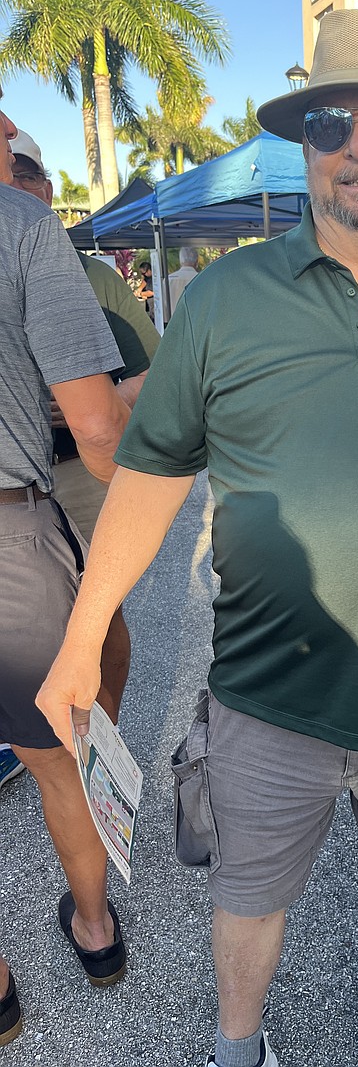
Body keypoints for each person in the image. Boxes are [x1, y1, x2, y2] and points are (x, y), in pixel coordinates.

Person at [37, 9, 358, 1067]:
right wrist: (82, 636)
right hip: (260, 692)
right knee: (250, 893)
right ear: (303, 147)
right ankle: (238, 1044)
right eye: (328, 123)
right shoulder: (224, 298)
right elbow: (153, 475)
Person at [0, 89, 129, 1049]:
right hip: (12, 537)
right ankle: (95, 930)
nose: (9, 129)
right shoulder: (25, 227)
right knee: (60, 764)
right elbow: (96, 428)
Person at [8, 128, 160, 747]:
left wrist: (85, 408)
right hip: (17, 482)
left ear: (44, 188)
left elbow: (155, 374)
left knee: (98, 608)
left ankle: (103, 731)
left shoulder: (93, 278)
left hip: (72, 470)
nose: (12, 184)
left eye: (24, 174)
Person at [168, 246, 200, 312]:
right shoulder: (202, 279)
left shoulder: (168, 280)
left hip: (172, 320)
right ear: (196, 262)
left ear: (180, 261)